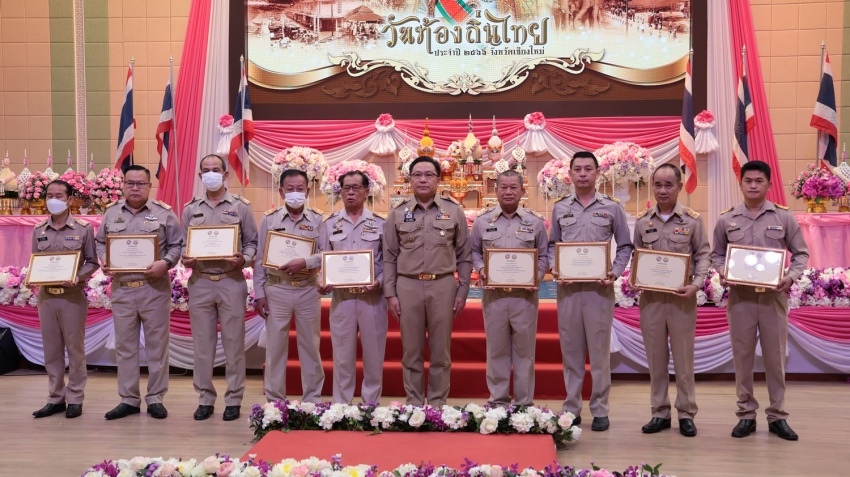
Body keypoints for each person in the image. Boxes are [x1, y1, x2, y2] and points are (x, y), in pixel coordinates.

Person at [710, 160, 808, 441]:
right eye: (748, 181)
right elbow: (717, 254)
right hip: (740, 298)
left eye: (759, 181)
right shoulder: (726, 219)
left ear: (769, 184)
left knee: (775, 359)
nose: (753, 185)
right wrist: (723, 272)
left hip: (772, 299)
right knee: (742, 359)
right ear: (740, 184)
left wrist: (790, 277)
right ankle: (746, 415)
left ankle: (777, 416)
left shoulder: (783, 217)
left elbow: (801, 254)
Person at [547, 151, 633, 431]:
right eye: (578, 169)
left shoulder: (612, 208)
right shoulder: (560, 208)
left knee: (599, 353)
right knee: (571, 353)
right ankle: (572, 408)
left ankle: (600, 409)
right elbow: (552, 245)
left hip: (599, 291)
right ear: (570, 174)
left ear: (597, 173)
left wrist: (615, 272)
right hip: (569, 291)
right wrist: (555, 267)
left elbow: (625, 245)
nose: (583, 174)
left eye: (588, 169)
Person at [95, 165, 183, 420]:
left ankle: (155, 398)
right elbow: (100, 242)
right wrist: (104, 259)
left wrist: (165, 263)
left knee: (157, 347)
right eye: (130, 183)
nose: (135, 188)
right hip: (123, 290)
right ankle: (129, 399)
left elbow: (177, 245)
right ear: (123, 185)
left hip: (153, 289)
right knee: (125, 347)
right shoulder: (112, 213)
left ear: (149, 186)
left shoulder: (164, 213)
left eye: (140, 183)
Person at [383, 155, 472, 408]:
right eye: (417, 175)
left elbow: (464, 255)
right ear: (409, 179)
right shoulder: (397, 213)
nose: (423, 179)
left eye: (429, 175)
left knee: (441, 352)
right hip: (407, 286)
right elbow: (389, 257)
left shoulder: (454, 211)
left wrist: (462, 291)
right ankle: (413, 404)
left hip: (442, 285)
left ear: (438, 179)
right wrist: (390, 293)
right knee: (411, 351)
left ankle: (436, 406)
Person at [632, 164, 710, 437]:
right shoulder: (642, 221)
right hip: (652, 300)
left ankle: (686, 413)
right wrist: (636, 278)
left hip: (681, 299)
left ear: (679, 186)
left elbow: (703, 255)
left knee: (683, 360)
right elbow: (637, 255)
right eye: (658, 185)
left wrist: (696, 284)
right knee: (655, 359)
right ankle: (660, 412)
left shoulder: (692, 220)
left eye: (668, 185)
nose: (663, 190)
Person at [181, 154, 258, 421]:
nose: (211, 174)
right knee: (203, 346)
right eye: (206, 170)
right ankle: (205, 398)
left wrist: (244, 259)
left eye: (216, 169)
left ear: (225, 175)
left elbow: (252, 243)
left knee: (234, 344)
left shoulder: (241, 207)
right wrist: (185, 258)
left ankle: (234, 399)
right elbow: (183, 244)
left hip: (231, 281)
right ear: (200, 176)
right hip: (200, 281)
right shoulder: (190, 209)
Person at [470, 170, 548, 407]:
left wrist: (536, 277)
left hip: (524, 297)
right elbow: (474, 252)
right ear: (495, 190)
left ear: (522, 191)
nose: (508, 191)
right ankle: (498, 402)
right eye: (503, 187)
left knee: (525, 353)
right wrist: (481, 269)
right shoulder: (482, 222)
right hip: (494, 297)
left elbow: (544, 255)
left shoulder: (534, 222)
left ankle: (524, 404)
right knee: (497, 350)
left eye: (514, 187)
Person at [254, 169, 325, 402]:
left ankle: (312, 400)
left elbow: (326, 254)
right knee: (275, 348)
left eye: (300, 189)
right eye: (290, 189)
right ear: (281, 191)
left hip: (308, 289)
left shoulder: (318, 219)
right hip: (277, 288)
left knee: (311, 347)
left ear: (307, 191)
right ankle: (275, 401)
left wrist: (306, 262)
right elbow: (259, 258)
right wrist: (259, 293)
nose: (295, 193)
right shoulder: (269, 219)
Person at [30, 180, 99, 419]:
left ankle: (75, 398)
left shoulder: (83, 229)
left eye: (59, 195)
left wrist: (77, 277)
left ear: (70, 200)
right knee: (51, 350)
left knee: (75, 349)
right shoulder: (38, 230)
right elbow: (36, 260)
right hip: (46, 297)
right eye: (49, 195)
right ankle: (55, 398)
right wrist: (33, 277)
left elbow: (92, 262)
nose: (53, 199)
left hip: (72, 297)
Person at [317, 170, 387, 404]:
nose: (350, 192)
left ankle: (371, 405)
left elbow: (390, 261)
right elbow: (322, 257)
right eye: (346, 188)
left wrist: (380, 281)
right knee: (342, 356)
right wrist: (321, 280)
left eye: (356, 188)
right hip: (342, 299)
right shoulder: (329, 224)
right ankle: (342, 406)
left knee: (374, 355)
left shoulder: (381, 223)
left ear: (367, 191)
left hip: (372, 300)